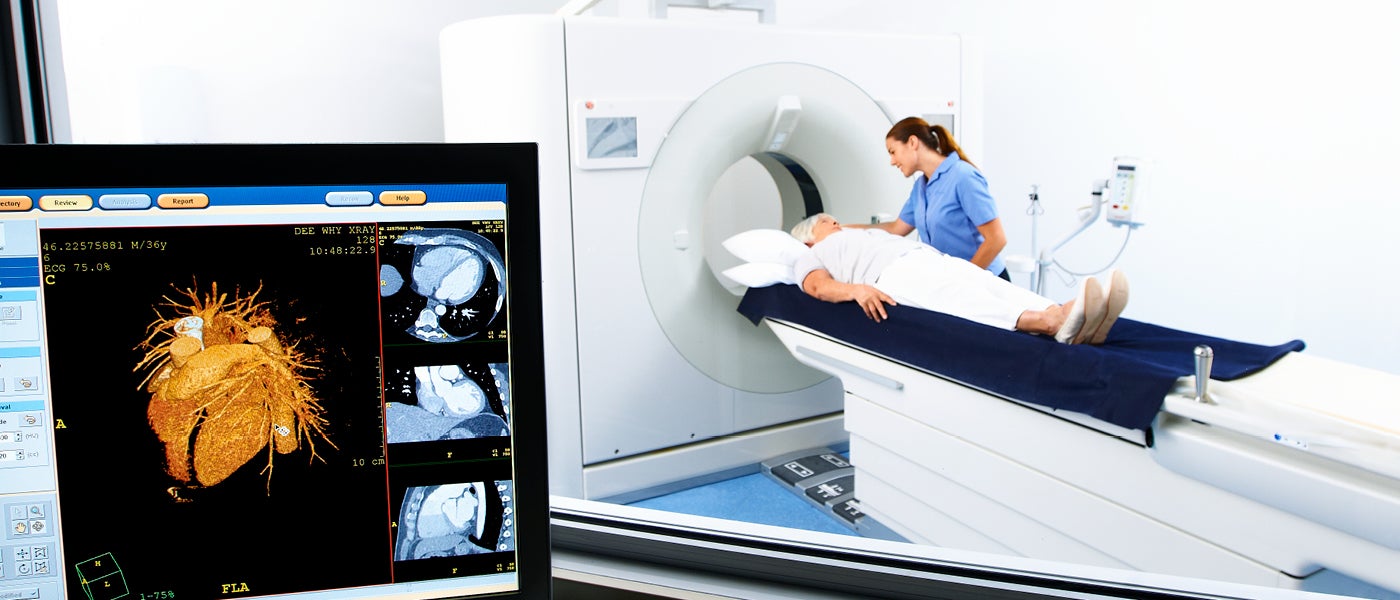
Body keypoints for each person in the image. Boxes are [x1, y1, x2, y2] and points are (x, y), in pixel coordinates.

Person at [790, 214, 1128, 345]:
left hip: (926, 256)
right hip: (891, 275)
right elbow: (816, 286)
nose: (834, 221)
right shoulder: (811, 254)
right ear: (808, 236)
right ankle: (1044, 323)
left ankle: (1066, 314)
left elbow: (895, 228)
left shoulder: (859, 234)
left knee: (990, 284)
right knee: (961, 299)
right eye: (824, 220)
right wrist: (857, 290)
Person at [853, 116, 1012, 281]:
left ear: (913, 142)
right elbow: (895, 229)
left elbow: (997, 239)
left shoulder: (963, 176)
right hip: (952, 281)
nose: (892, 161)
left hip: (987, 281)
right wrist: (844, 228)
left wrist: (965, 281)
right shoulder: (920, 188)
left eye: (893, 152)